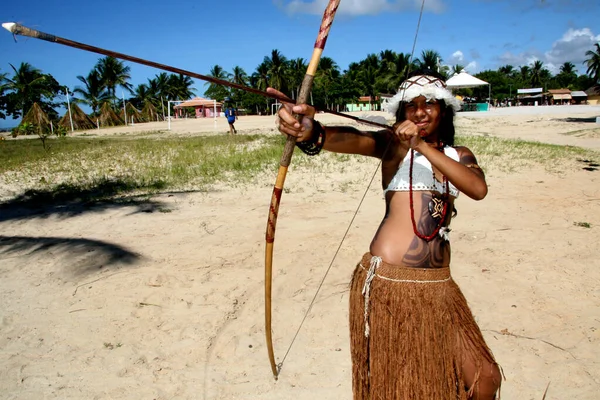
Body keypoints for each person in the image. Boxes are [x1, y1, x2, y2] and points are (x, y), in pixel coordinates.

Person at [269, 69, 501, 400]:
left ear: (445, 109)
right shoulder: (394, 147)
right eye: (411, 105)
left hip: (440, 289)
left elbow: (477, 188)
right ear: (401, 112)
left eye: (430, 103)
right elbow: (351, 137)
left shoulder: (459, 154)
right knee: (404, 387)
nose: (421, 111)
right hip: (391, 285)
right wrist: (309, 131)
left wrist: (420, 145)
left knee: (485, 377)